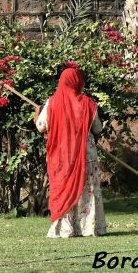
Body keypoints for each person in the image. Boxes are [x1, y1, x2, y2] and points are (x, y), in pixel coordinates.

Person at [34, 66, 106, 237]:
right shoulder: (88, 103)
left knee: (64, 189)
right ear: (77, 82)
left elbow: (41, 127)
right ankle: (89, 228)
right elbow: (97, 128)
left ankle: (65, 229)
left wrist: (37, 116)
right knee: (88, 191)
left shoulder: (52, 102)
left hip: (62, 155)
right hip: (85, 155)